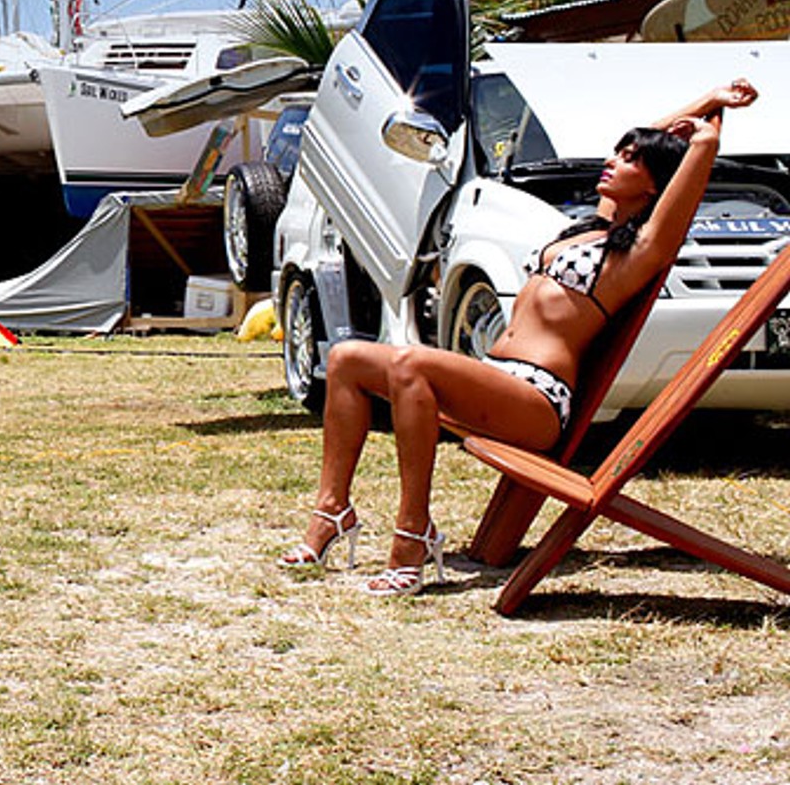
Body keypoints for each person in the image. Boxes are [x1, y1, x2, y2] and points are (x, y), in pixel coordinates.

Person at [280, 79, 758, 595]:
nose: (613, 161)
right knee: (348, 358)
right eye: (617, 152)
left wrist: (708, 136)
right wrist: (709, 98)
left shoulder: (637, 253)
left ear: (652, 186)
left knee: (410, 365)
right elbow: (655, 138)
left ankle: (412, 534)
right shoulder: (589, 230)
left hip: (535, 400)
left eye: (630, 160)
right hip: (496, 378)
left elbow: (679, 178)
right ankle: (332, 512)